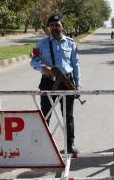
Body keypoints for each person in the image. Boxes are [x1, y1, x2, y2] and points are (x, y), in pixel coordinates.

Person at [30, 13, 81, 153]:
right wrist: (42, 68)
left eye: (57, 25)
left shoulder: (70, 43)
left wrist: (78, 84)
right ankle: (43, 145)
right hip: (48, 82)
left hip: (66, 82)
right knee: (46, 114)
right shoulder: (42, 43)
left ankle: (70, 145)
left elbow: (75, 64)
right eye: (51, 25)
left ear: (63, 26)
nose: (54, 27)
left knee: (68, 115)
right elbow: (33, 61)